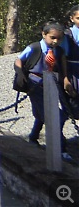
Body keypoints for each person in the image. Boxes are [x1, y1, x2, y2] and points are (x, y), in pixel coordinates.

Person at [14, 20, 74, 162]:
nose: (55, 41)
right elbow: (19, 59)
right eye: (52, 38)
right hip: (35, 84)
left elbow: (63, 67)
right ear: (44, 34)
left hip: (52, 83)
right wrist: (20, 73)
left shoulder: (59, 51)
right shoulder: (34, 48)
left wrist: (65, 80)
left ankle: (34, 137)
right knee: (54, 115)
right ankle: (61, 147)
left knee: (45, 112)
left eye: (59, 39)